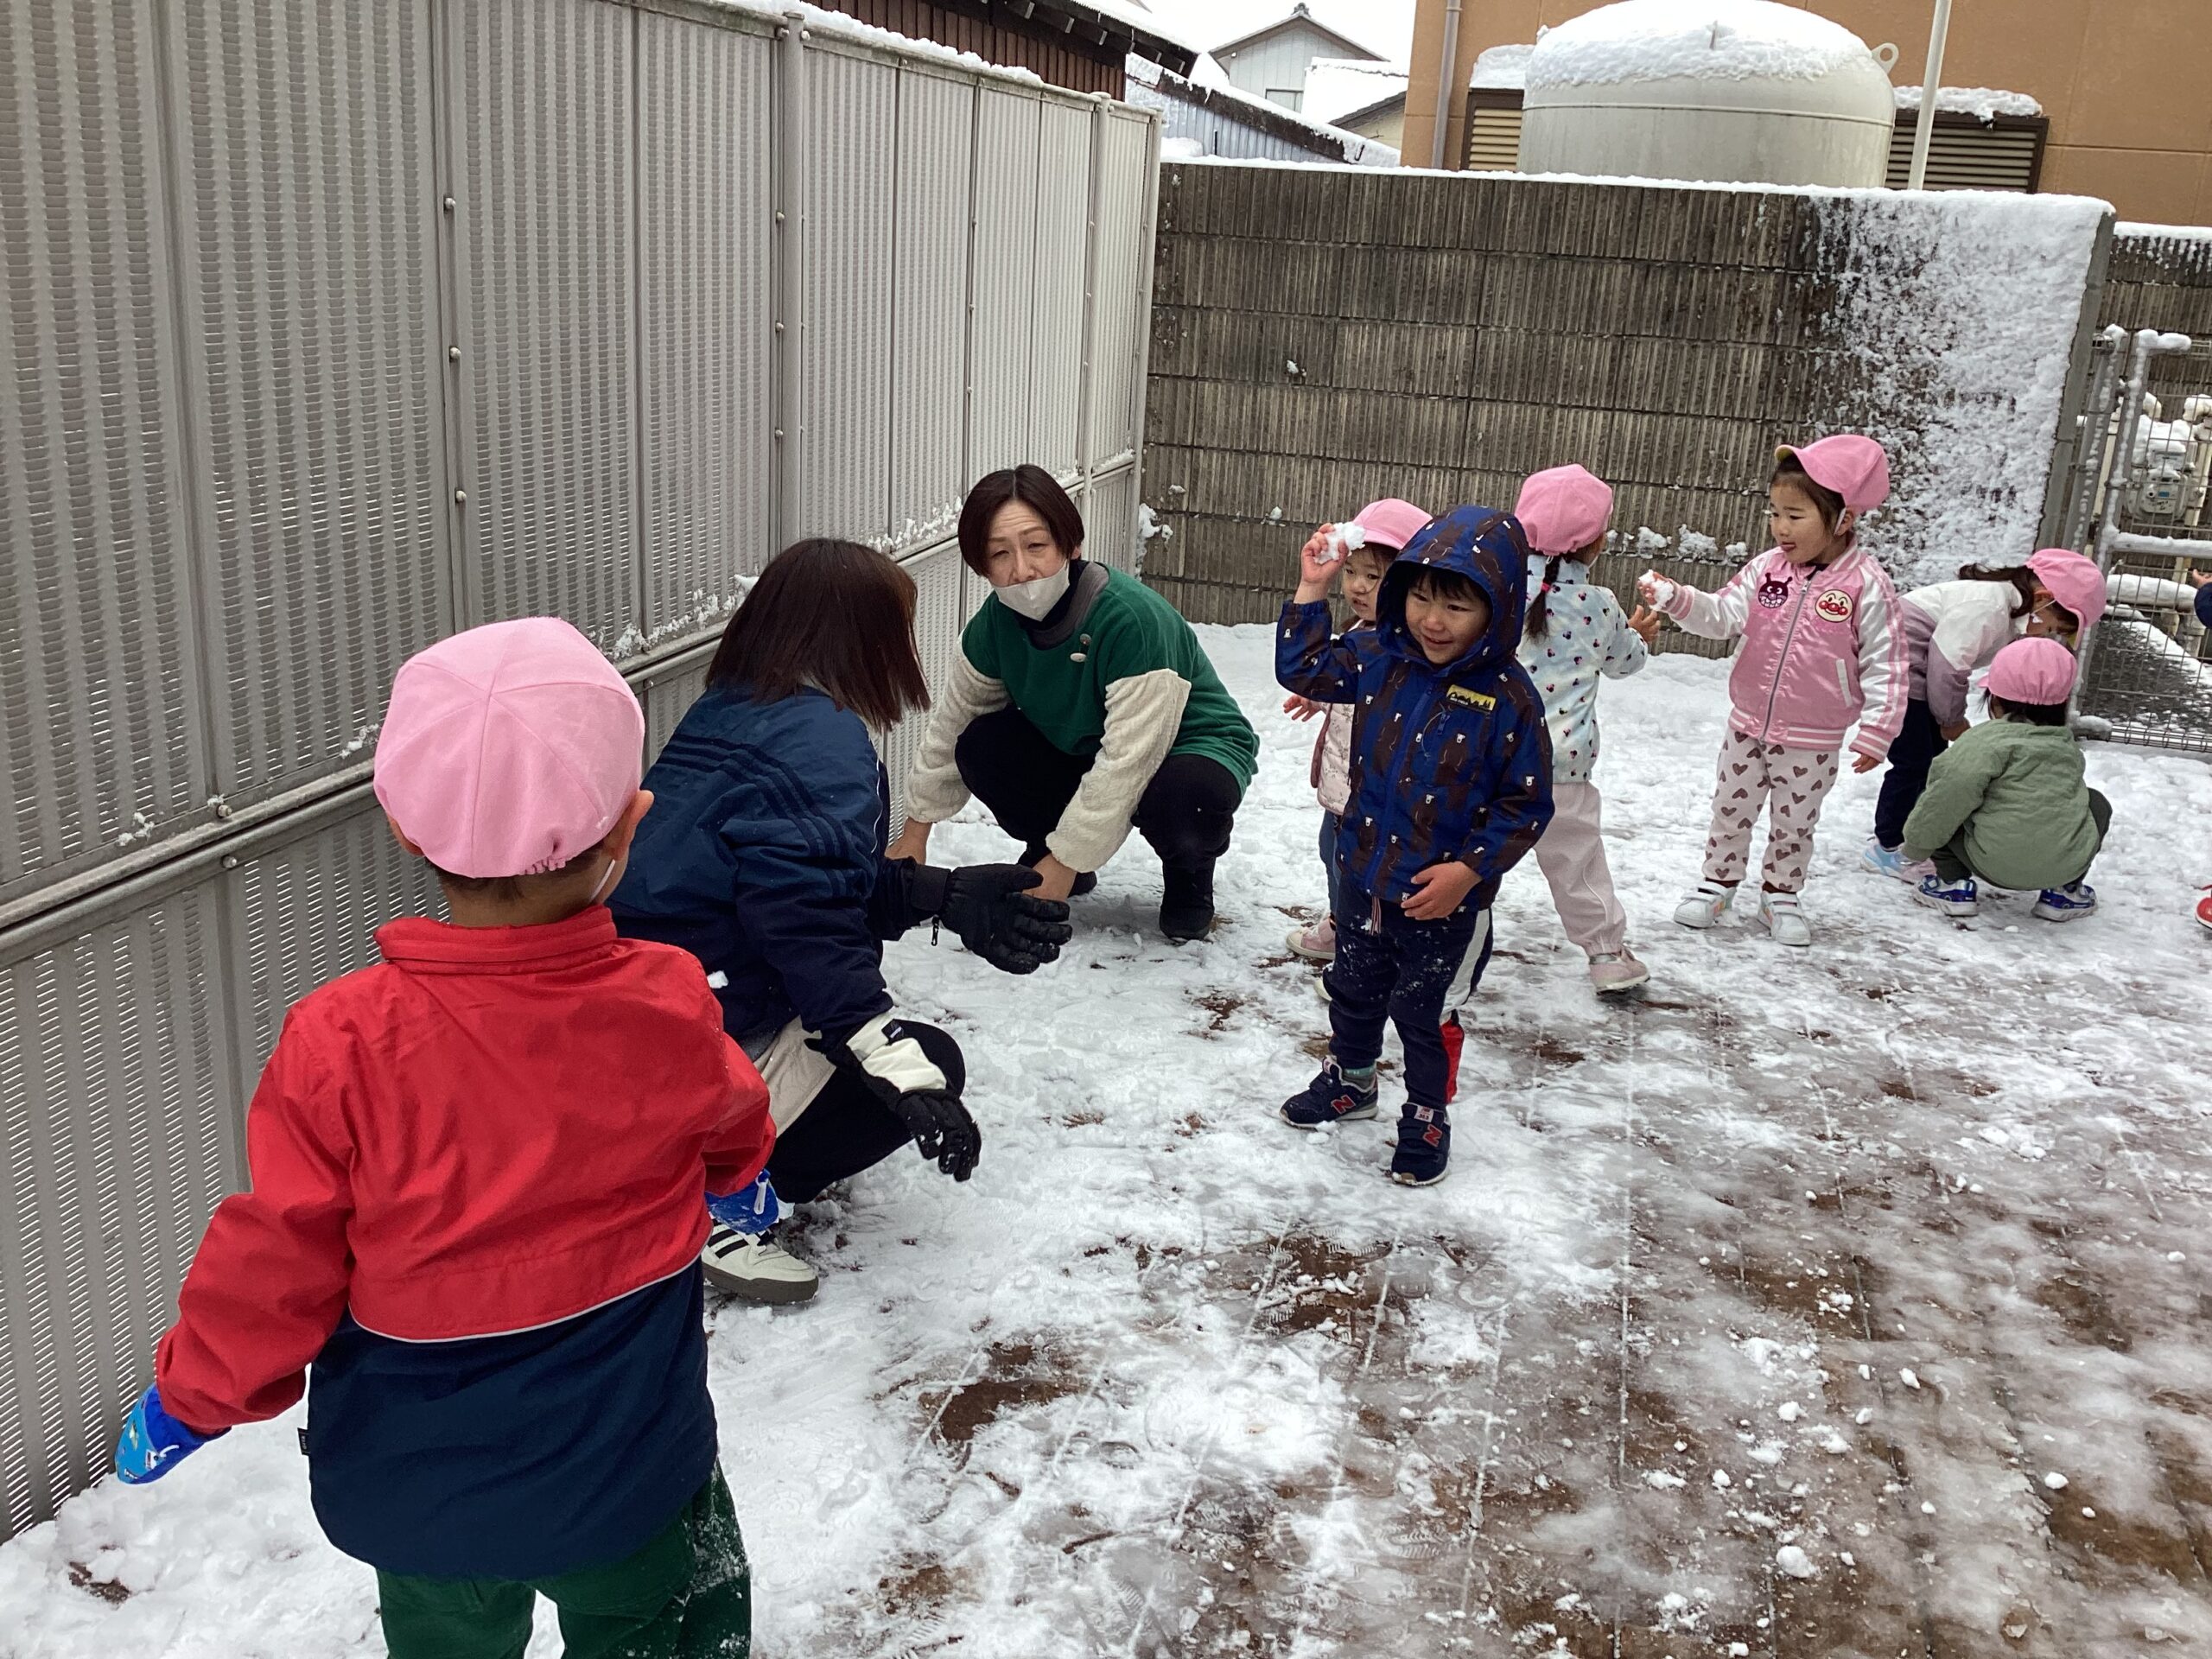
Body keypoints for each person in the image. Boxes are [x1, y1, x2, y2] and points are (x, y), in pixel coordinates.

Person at [113, 618, 772, 1659]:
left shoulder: (341, 1042)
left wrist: (192, 1398)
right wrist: (739, 1182)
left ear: (405, 830)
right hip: (628, 1476)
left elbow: (276, 1257)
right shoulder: (668, 1000)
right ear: (628, 826)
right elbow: (731, 1117)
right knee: (670, 1622)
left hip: (418, 1497)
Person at [613, 540, 1072, 1305]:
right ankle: (717, 1197)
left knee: (868, 1044)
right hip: (698, 1029)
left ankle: (687, 1157)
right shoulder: (822, 743)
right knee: (925, 1063)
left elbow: (784, 878)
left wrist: (941, 895)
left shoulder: (732, 709)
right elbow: (802, 920)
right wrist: (885, 1053)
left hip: (650, 1012)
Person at [1274, 505, 1554, 1187]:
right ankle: (1353, 1080)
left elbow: (1526, 804)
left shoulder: (1509, 698)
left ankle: (1427, 1113)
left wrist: (1469, 871)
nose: (1433, 620)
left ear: (1497, 611)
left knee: (1424, 1010)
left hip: (1443, 902)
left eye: (1456, 606)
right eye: (1422, 597)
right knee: (1353, 987)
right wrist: (1311, 588)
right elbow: (1303, 669)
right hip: (1365, 875)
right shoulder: (1377, 655)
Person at [886, 465, 1260, 942]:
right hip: (1084, 745)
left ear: (1071, 544)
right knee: (981, 744)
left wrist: (1063, 863)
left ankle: (1189, 874)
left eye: (1036, 546)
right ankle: (1052, 845)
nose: (1022, 570)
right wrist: (914, 833)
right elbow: (952, 723)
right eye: (1000, 553)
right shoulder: (995, 625)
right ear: (982, 566)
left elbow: (1129, 760)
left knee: (1186, 798)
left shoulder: (1131, 620)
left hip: (1187, 747)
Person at [1640, 435, 1906, 949]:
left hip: (1813, 737)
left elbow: (1888, 661)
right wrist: (1678, 599)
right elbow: (1723, 615)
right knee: (1730, 809)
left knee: (1795, 821)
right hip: (1747, 724)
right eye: (1775, 513)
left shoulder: (1867, 585)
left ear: (1843, 520)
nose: (1780, 527)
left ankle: (1780, 894)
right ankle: (1717, 883)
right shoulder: (1767, 569)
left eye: (1795, 516)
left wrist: (1878, 729)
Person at [1862, 547, 2105, 880]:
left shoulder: (2006, 611)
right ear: (2043, 599)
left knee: (1932, 760)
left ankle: (1909, 833)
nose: (2050, 636)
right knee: (1914, 761)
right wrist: (1952, 720)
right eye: (2054, 628)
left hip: (1917, 674)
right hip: (1898, 672)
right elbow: (1947, 667)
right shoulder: (1988, 607)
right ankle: (1888, 846)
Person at [1514, 464, 1663, 994]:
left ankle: (1439, 947)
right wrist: (1636, 634)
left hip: (1488, 761)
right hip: (1564, 768)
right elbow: (1626, 662)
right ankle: (1606, 955)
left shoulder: (1494, 593)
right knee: (1577, 864)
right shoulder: (1600, 605)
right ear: (1597, 542)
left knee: (1465, 861)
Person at [1282, 497, 1433, 963]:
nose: (1358, 586)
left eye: (1375, 575)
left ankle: (1364, 947)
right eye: (1351, 572)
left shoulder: (1405, 646)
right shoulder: (1362, 632)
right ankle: (1344, 924)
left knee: (1360, 867)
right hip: (1343, 785)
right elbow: (1345, 677)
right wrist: (1320, 694)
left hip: (1376, 793)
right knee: (1333, 852)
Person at [1903, 637, 2110, 923]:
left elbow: (1945, 799)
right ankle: (2064, 892)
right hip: (2064, 865)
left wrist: (1915, 848)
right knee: (2096, 803)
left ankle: (1952, 885)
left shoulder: (1984, 743)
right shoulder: (2064, 744)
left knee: (1944, 800)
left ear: (1995, 701)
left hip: (1992, 863)